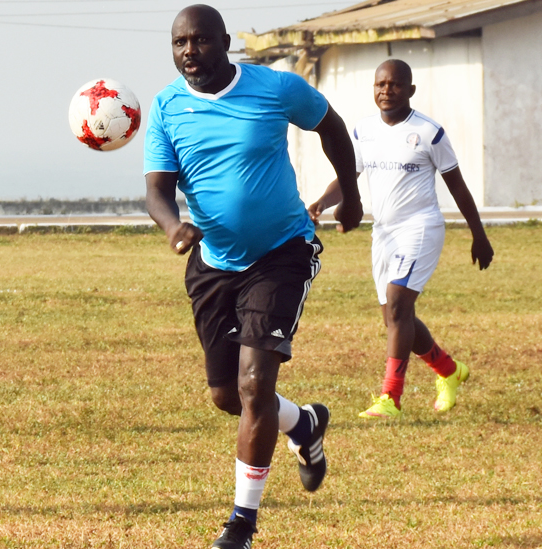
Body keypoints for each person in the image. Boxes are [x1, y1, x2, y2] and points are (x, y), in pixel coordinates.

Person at [143, 5, 363, 548]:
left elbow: (331, 126)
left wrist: (351, 195)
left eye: (200, 40)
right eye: (179, 43)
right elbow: (156, 190)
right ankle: (303, 425)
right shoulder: (168, 106)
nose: (189, 51)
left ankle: (241, 523)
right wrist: (174, 227)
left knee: (254, 383)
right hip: (214, 263)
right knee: (227, 395)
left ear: (224, 42)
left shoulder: (275, 88)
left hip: (283, 252)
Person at [308, 59, 493, 419]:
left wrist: (479, 235)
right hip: (384, 232)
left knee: (397, 304)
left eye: (394, 85)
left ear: (410, 90)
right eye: (380, 84)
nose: (386, 91)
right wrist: (321, 201)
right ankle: (449, 371)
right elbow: (350, 178)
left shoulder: (428, 132)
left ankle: (390, 398)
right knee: (395, 317)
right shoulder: (363, 132)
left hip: (420, 228)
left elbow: (458, 188)